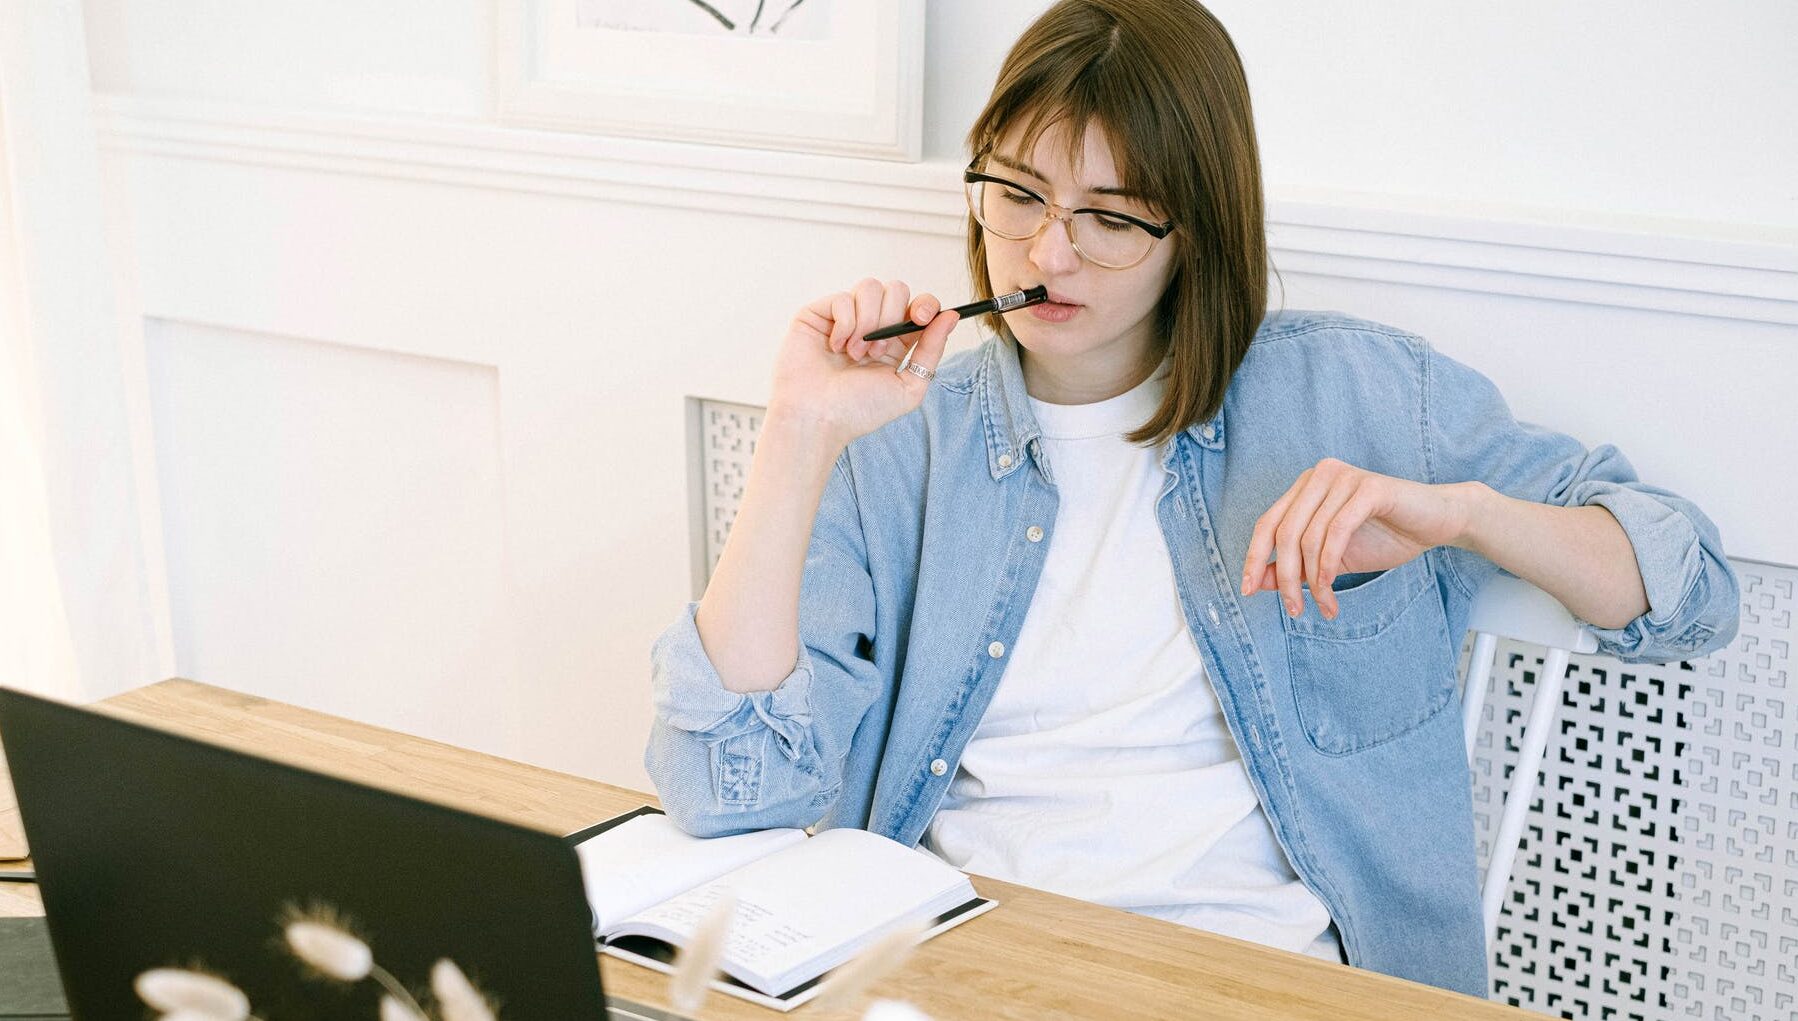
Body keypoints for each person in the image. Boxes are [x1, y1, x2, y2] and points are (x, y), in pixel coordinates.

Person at [643, 0, 1740, 997]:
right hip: (962, 961)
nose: (1044, 249)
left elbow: (1688, 587)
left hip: (1254, 976)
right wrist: (797, 432)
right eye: (1015, 193)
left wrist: (1462, 515)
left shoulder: (1356, 393)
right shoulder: (903, 434)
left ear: (1197, 231)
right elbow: (725, 786)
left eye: (1110, 218)